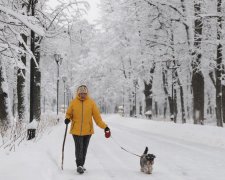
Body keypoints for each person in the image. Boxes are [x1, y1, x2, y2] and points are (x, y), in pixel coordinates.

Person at [64, 85, 111, 174]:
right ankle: (79, 165)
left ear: (87, 93)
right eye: (81, 93)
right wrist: (67, 119)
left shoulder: (91, 103)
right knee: (79, 148)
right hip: (76, 130)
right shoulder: (73, 102)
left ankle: (82, 165)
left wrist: (105, 127)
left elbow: (98, 119)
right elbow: (68, 114)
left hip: (88, 131)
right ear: (78, 93)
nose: (82, 95)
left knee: (84, 149)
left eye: (84, 93)